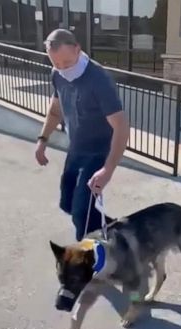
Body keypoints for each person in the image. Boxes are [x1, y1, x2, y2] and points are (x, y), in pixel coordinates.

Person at [35, 29, 129, 241]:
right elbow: (55, 110)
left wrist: (108, 169)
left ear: (78, 49)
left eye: (67, 64)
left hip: (99, 152)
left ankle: (88, 266)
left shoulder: (99, 80)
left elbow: (121, 126)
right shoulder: (56, 74)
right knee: (68, 203)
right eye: (56, 64)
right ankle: (115, 229)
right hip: (76, 148)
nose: (62, 69)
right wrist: (42, 140)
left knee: (81, 214)